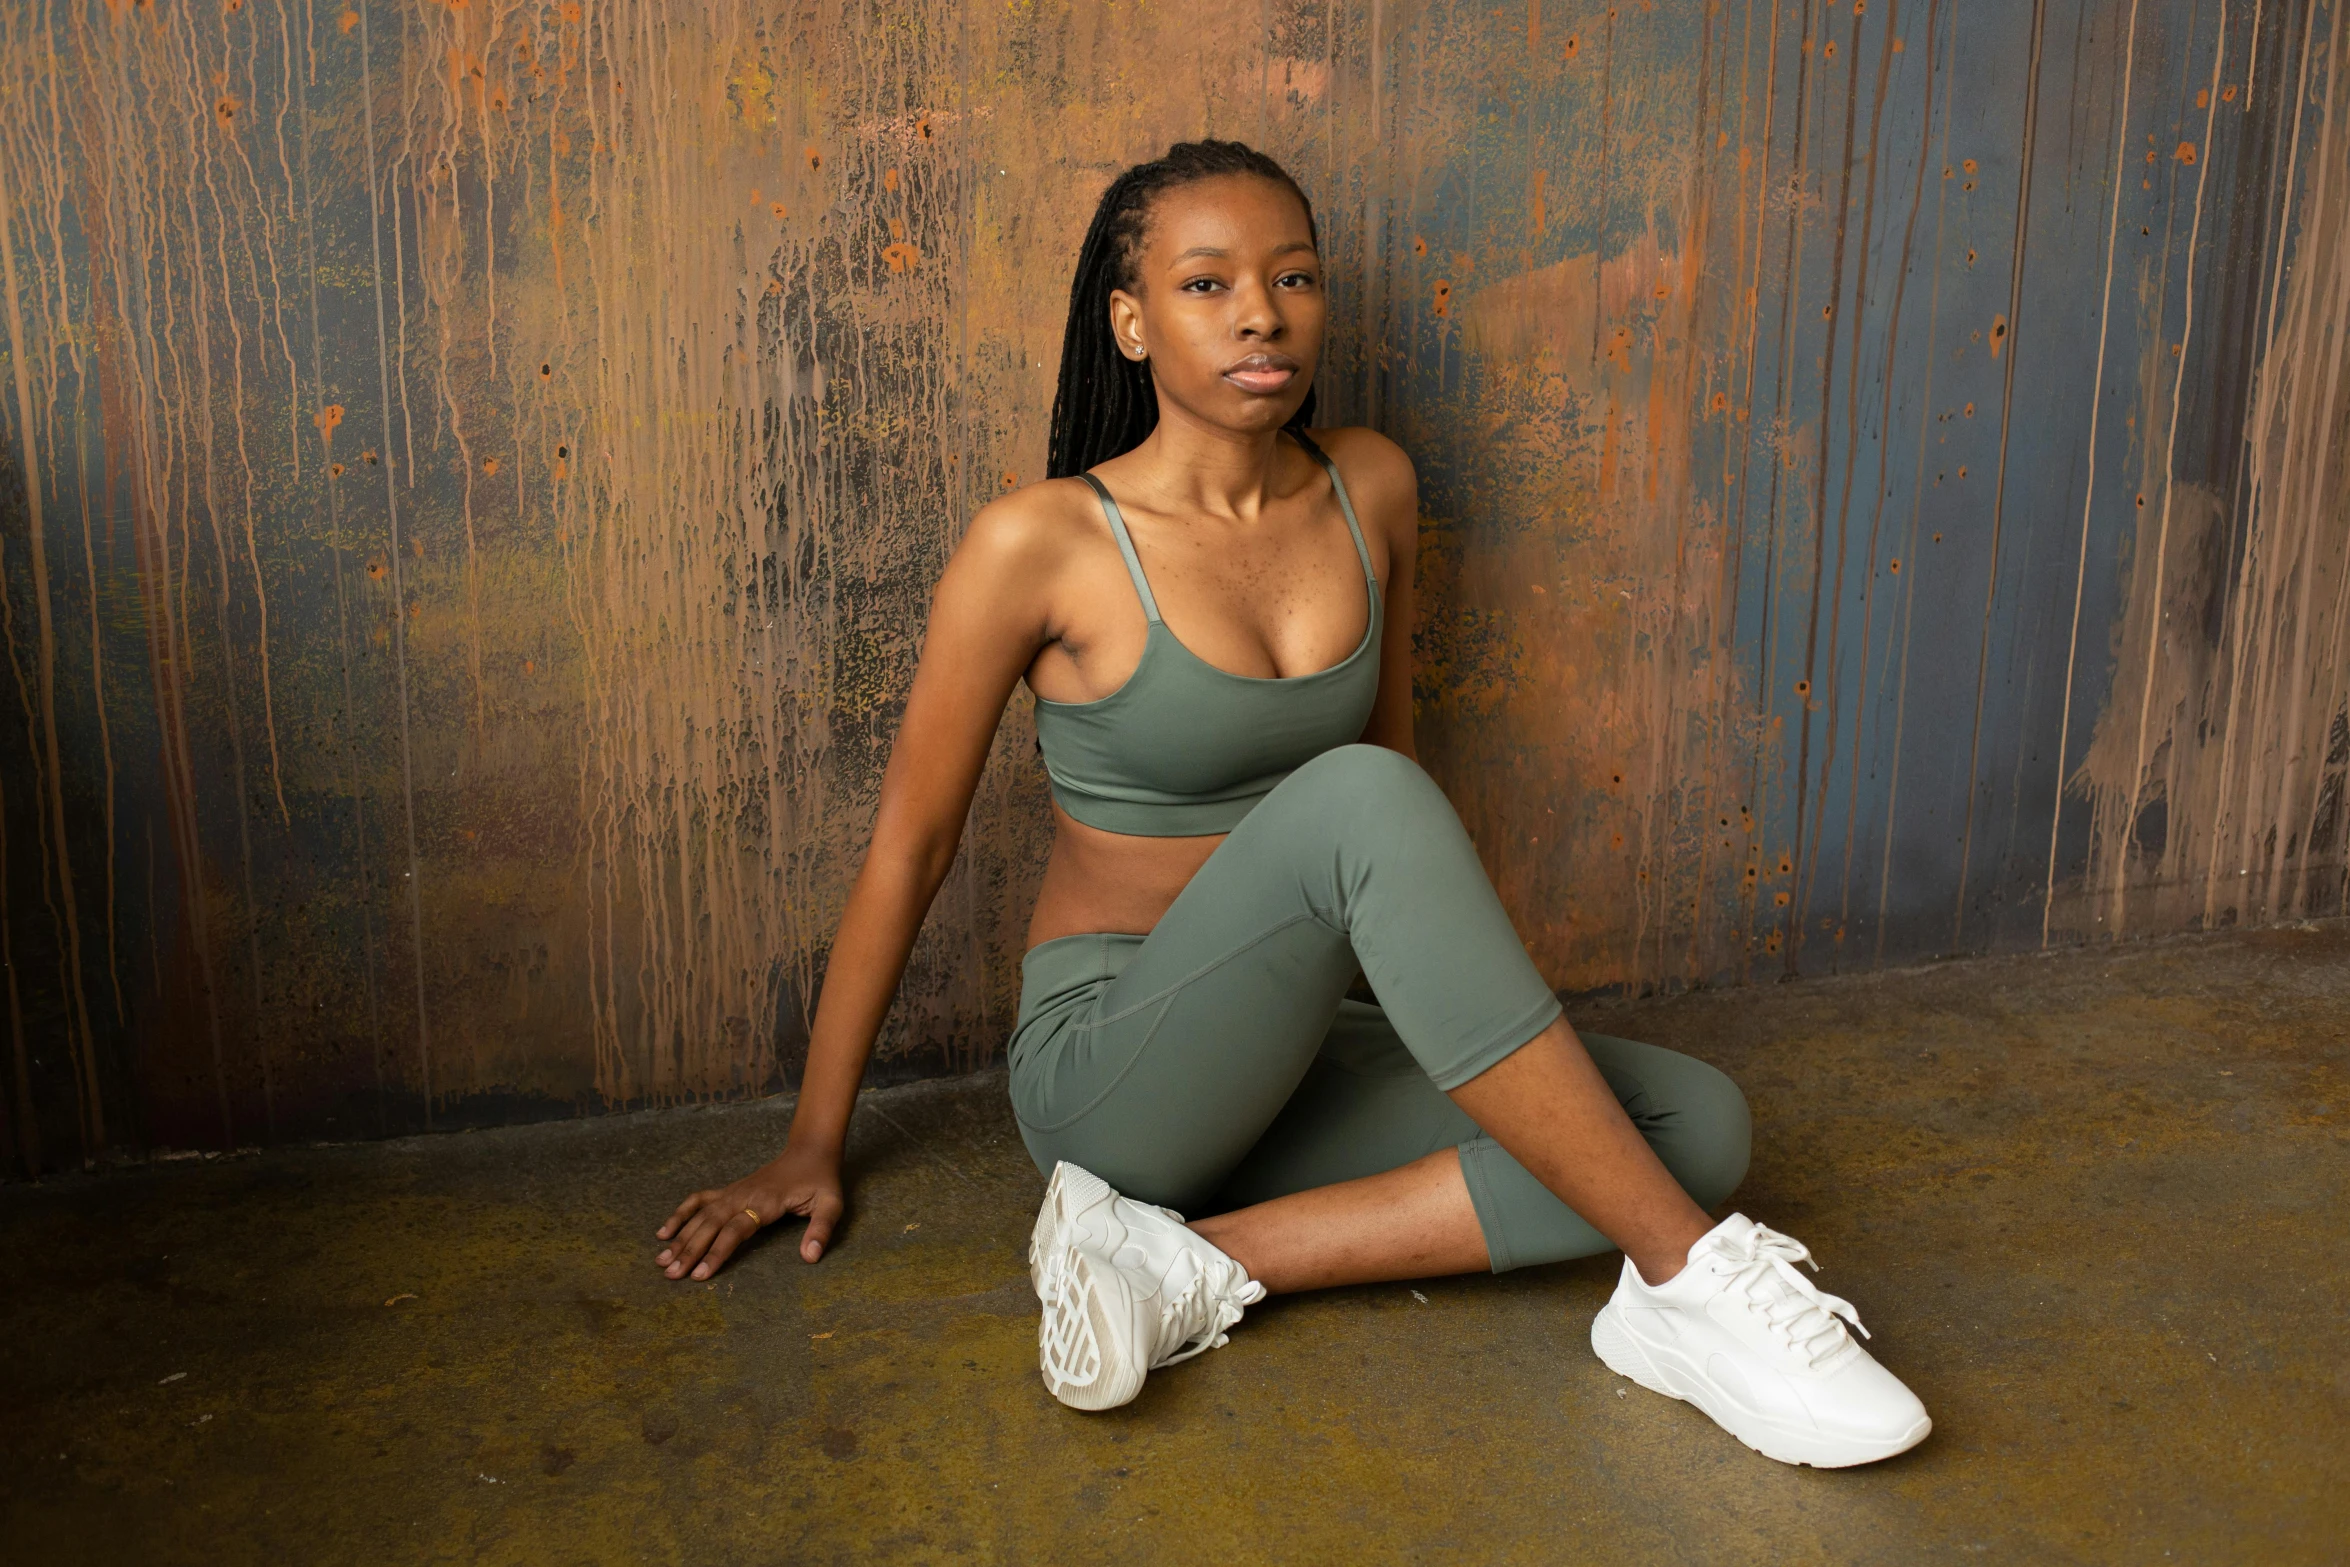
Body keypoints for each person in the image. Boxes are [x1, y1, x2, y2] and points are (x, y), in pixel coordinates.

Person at [653, 139, 1931, 1468]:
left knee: (1693, 1123)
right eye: (1205, 284)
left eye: (1292, 276)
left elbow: (1387, 812)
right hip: (1118, 1073)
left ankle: (1179, 1270)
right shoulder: (1038, 544)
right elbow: (910, 848)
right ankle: (1691, 1287)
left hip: (1304, 1044)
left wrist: (1454, 1044)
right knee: (1367, 806)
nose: (1260, 311)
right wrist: (811, 1139)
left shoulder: (1368, 483)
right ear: (1131, 322)